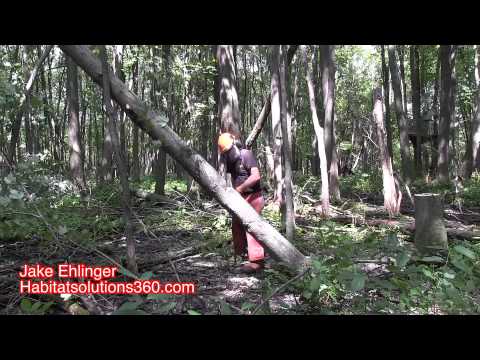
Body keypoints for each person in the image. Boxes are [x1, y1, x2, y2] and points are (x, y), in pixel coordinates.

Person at [218, 132, 266, 273]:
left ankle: (257, 262)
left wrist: (240, 188)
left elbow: (256, 176)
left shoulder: (246, 154)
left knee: (252, 228)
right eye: (225, 152)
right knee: (236, 226)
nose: (228, 154)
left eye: (229, 151)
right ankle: (241, 256)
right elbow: (232, 178)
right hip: (241, 199)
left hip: (254, 197)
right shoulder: (230, 161)